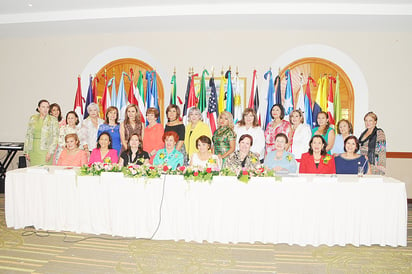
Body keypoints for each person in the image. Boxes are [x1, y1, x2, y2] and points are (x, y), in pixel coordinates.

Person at [24, 99, 59, 165]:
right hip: (33, 150)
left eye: (47, 107)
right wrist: (26, 151)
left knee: (45, 171)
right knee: (33, 172)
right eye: (43, 107)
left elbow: (55, 138)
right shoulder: (33, 118)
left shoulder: (53, 119)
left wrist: (50, 152)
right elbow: (28, 135)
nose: (45, 109)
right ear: (39, 108)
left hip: (45, 151)